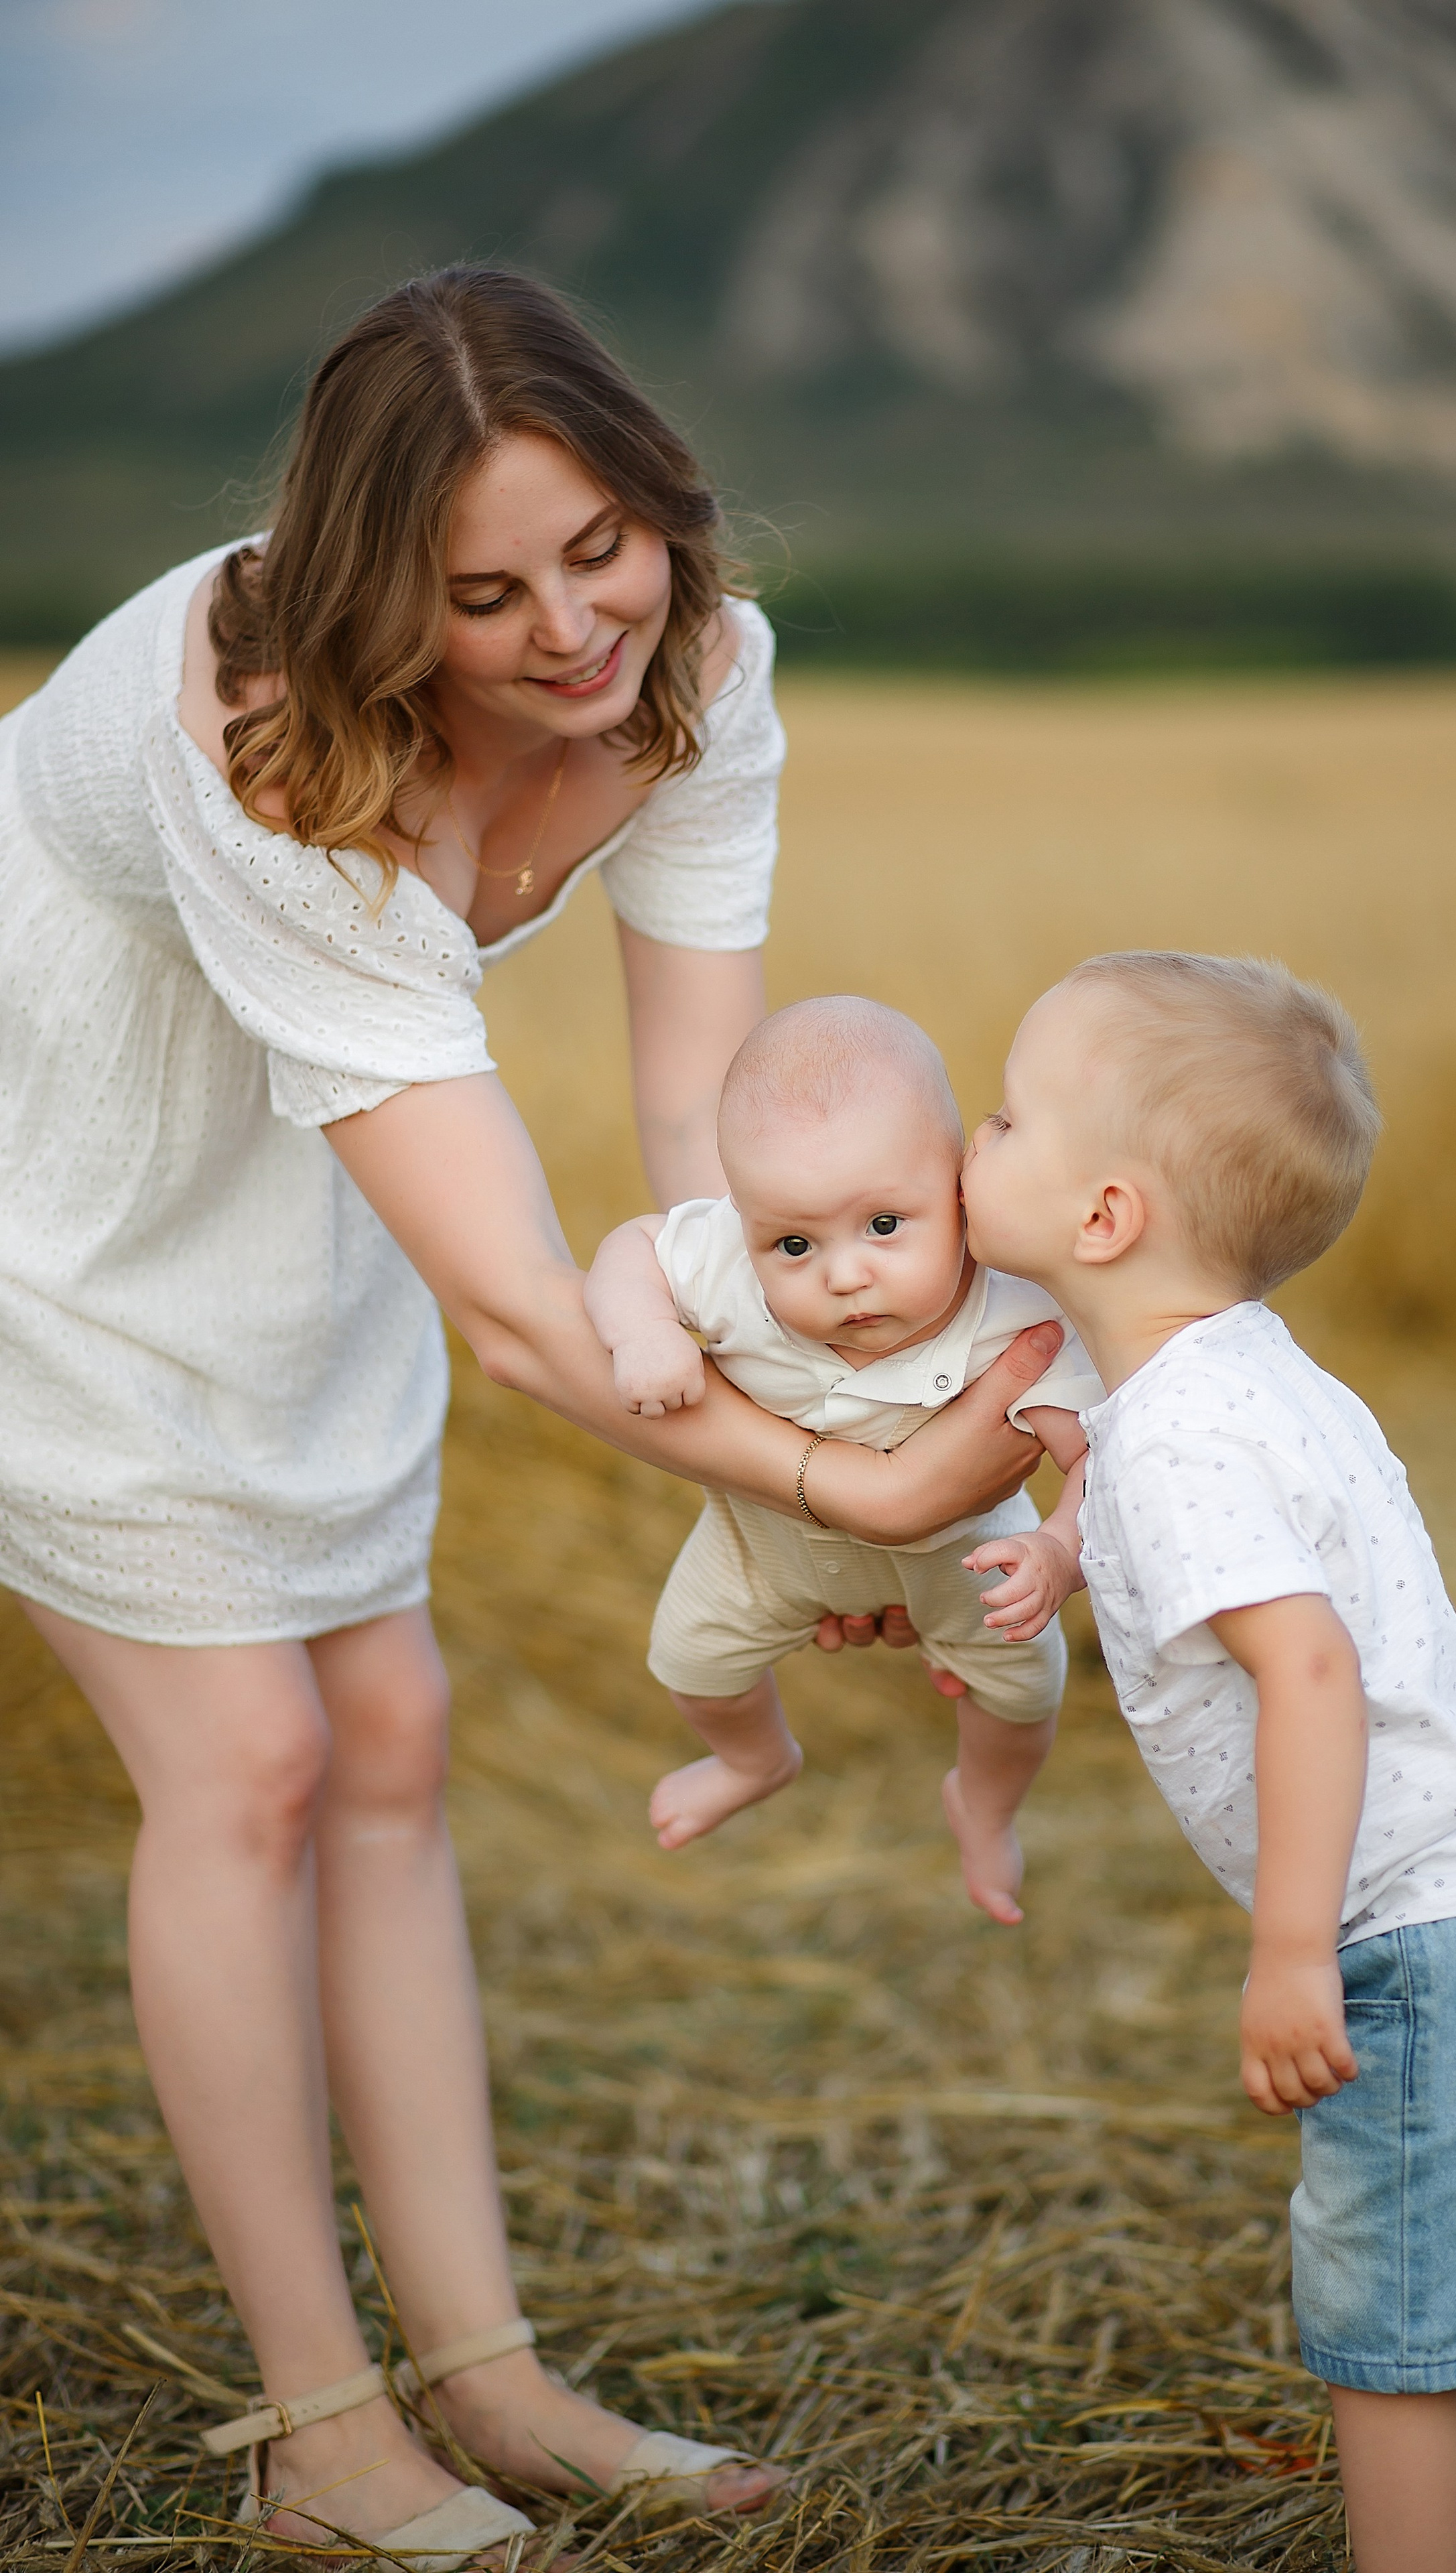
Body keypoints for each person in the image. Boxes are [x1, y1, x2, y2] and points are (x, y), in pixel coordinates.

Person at [0, 267, 1059, 2568]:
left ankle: (488, 2382)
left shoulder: (702, 676)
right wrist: (863, 1481)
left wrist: (818, 1492)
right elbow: (509, 1306)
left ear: (661, 499)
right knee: (250, 1766)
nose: (571, 629)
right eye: (483, 599)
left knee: (391, 1737)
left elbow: (707, 1149)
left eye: (602, 549)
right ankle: (320, 2437)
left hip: (306, 1184)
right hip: (59, 1185)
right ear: (375, 598)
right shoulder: (263, 745)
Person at [959, 951, 1456, 2573]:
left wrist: (1290, 1950)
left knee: (1392, 2359)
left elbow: (1306, 1672)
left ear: (1102, 1218)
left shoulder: (1177, 1437)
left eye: (1003, 1117)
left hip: (1415, 1941)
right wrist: (1064, 1545)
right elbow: (1172, 1489)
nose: (970, 1135)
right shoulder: (1224, 1370)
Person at [586, 996, 1102, 1922]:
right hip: (761, 1548)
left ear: (958, 1188)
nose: (844, 1274)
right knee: (690, 1661)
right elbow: (634, 1246)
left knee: (1026, 1694)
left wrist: (1060, 1550)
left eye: (885, 1226)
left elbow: (1096, 1462)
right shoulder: (723, 1265)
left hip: (968, 1567)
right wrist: (645, 1330)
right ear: (743, 1217)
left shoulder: (1017, 1308)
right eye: (793, 1244)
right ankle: (755, 1759)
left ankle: (985, 1808)